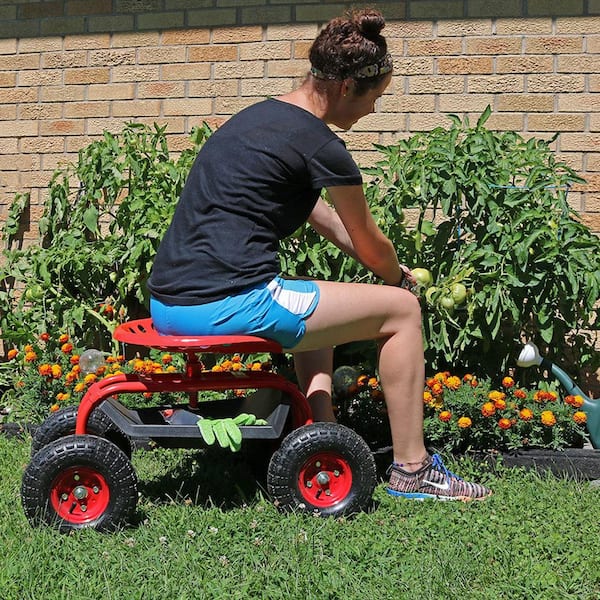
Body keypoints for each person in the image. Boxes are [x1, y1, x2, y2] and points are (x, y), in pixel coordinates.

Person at [148, 8, 491, 501]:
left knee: (315, 299)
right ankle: (414, 470)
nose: (372, 111)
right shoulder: (320, 145)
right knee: (404, 314)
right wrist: (398, 280)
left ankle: (322, 433)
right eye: (374, 98)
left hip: (172, 302)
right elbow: (367, 237)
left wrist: (380, 270)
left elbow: (326, 220)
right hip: (224, 302)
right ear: (348, 86)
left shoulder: (261, 120)